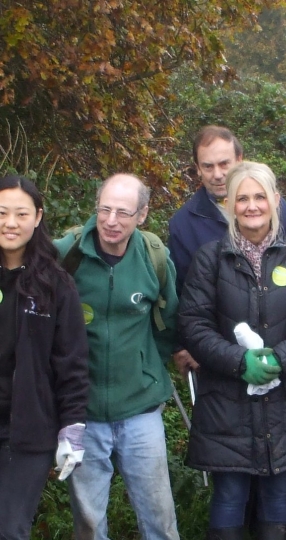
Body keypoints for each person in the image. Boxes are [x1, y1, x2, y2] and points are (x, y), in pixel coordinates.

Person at [178, 161, 286, 540]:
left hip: (285, 399)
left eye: (260, 196)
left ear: (276, 201)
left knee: (277, 492)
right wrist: (239, 361)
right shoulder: (209, 258)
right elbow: (193, 324)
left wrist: (281, 358)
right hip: (226, 402)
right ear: (231, 205)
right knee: (230, 493)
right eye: (242, 198)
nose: (252, 205)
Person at [54, 173, 181, 540]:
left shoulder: (154, 258)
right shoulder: (67, 253)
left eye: (123, 213)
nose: (111, 221)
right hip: (82, 412)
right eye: (104, 210)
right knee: (89, 521)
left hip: (140, 408)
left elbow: (169, 322)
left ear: (142, 215)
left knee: (159, 515)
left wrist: (148, 369)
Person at [169, 125, 286, 377]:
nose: (217, 174)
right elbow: (180, 290)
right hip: (219, 350)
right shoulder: (183, 224)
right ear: (197, 168)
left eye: (224, 163)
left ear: (239, 159)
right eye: (208, 166)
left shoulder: (276, 210)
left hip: (280, 341)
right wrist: (182, 344)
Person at [0, 175, 89, 539]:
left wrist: (72, 427)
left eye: (21, 214)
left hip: (29, 431)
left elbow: (72, 361)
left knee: (10, 529)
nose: (10, 223)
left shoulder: (55, 284)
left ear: (37, 218)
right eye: (2, 213)